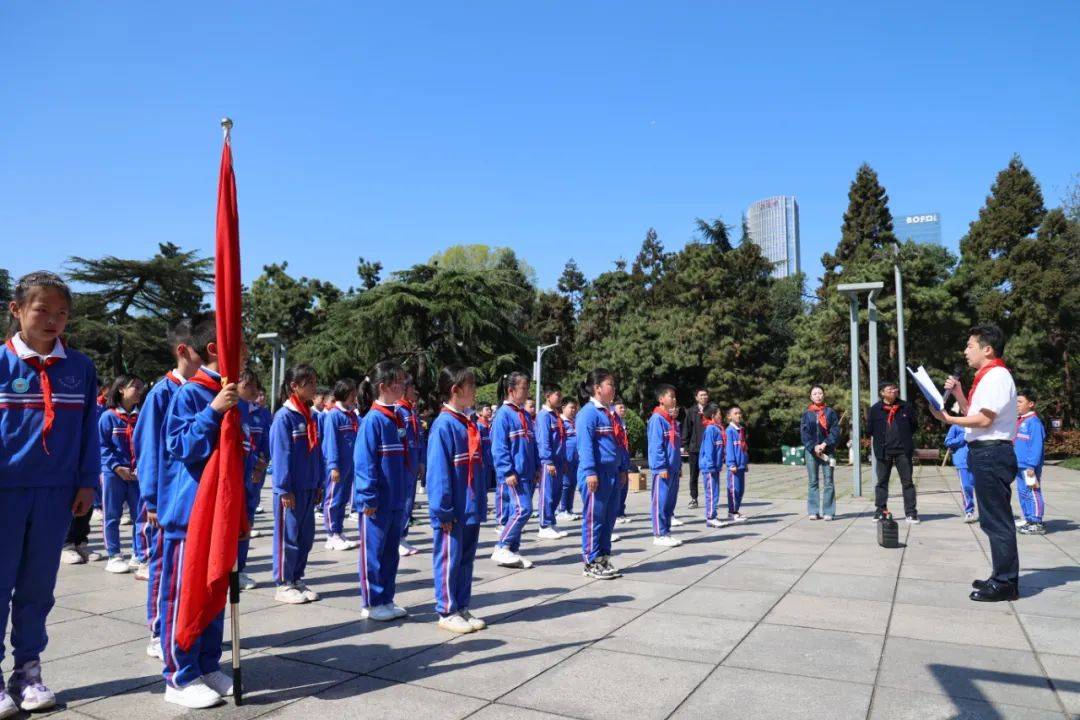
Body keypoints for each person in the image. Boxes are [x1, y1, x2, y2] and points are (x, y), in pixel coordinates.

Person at [1, 271, 99, 716]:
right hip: (5, 491)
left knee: (38, 587)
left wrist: (86, 482)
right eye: (42, 309)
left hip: (56, 494)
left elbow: (86, 433)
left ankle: (28, 671)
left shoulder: (79, 368)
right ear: (16, 310)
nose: (53, 320)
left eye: (62, 313)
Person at [160, 333, 241, 707]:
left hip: (219, 514)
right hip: (190, 512)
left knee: (214, 593)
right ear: (215, 348)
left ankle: (207, 664)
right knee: (185, 596)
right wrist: (213, 412)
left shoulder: (231, 392)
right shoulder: (191, 393)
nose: (246, 353)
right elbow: (178, 445)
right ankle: (180, 675)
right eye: (240, 344)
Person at [129, 316, 208, 661]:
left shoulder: (206, 390)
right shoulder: (163, 393)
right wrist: (151, 500)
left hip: (193, 500)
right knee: (164, 569)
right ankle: (159, 628)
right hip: (167, 501)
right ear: (183, 351)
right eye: (202, 351)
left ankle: (186, 629)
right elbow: (148, 450)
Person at [932, 324, 1020, 602]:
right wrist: (958, 393)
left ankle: (1006, 583)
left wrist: (948, 419)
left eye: (970, 345)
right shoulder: (986, 377)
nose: (965, 351)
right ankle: (1000, 576)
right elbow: (975, 412)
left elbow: (983, 421)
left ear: (987, 349)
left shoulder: (997, 376)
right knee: (992, 519)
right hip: (984, 452)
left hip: (992, 453)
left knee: (997, 520)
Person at [426, 365, 488, 633]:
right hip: (453, 509)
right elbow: (438, 475)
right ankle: (447, 609)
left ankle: (462, 605)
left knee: (465, 559)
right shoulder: (444, 426)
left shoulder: (467, 422)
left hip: (470, 506)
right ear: (455, 390)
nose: (475, 391)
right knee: (449, 558)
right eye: (471, 386)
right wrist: (443, 510)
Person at [355, 361, 411, 621]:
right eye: (397, 381)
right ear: (383, 387)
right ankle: (372, 602)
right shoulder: (373, 420)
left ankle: (386, 598)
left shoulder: (397, 417)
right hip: (376, 502)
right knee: (374, 554)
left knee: (390, 553)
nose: (402, 385)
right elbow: (364, 463)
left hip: (396, 499)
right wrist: (368, 497)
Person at [270, 364, 323, 605]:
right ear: (294, 386)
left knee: (305, 537)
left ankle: (296, 577)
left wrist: (318, 482)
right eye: (309, 383)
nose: (314, 387)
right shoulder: (284, 417)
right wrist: (283, 488)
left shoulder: (310, 415)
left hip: (308, 486)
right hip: (290, 490)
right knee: (287, 537)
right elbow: (281, 456)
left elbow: (316, 453)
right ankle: (283, 582)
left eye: (314, 382)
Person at [576, 369, 626, 579]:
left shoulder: (610, 413)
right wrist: (590, 472)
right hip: (595, 474)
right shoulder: (588, 413)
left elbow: (620, 444)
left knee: (609, 518)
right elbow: (585, 445)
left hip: (612, 472)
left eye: (613, 385)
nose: (613, 389)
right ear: (597, 388)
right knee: (594, 518)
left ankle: (603, 557)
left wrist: (623, 468)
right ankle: (590, 561)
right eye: (609, 384)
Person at [98, 374, 146, 574]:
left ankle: (139, 553)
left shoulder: (141, 417)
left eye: (140, 387)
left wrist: (140, 468)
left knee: (139, 516)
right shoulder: (108, 417)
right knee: (112, 515)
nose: (139, 391)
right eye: (135, 386)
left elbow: (145, 444)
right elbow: (101, 446)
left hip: (136, 475)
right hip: (113, 474)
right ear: (121, 390)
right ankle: (114, 555)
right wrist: (117, 467)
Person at [490, 371, 539, 569]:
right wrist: (507, 471)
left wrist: (537, 466)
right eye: (524, 388)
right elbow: (498, 446)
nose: (527, 392)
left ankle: (512, 550)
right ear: (511, 390)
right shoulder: (503, 415)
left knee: (515, 510)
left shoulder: (525, 415)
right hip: (514, 474)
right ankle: (501, 546)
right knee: (523, 509)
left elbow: (532, 444)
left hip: (527, 473)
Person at [867, 382, 919, 523]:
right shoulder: (875, 409)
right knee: (882, 482)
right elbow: (869, 430)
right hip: (884, 451)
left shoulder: (906, 407)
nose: (893, 391)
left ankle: (911, 513)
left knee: (907, 482)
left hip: (903, 451)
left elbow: (914, 426)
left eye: (895, 389)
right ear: (882, 393)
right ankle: (880, 511)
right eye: (889, 390)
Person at [319, 379, 359, 552]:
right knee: (333, 499)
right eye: (351, 393)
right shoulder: (334, 416)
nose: (354, 396)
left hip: (350, 465)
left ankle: (338, 530)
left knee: (343, 499)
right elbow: (331, 443)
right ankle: (331, 534)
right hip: (338, 467)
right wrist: (333, 466)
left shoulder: (352, 415)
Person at [648, 383, 682, 547]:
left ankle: (666, 531)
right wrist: (660, 466)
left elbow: (675, 447)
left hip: (673, 467)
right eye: (671, 396)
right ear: (661, 399)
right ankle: (659, 534)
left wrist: (678, 466)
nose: (674, 400)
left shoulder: (672, 421)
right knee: (660, 501)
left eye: (675, 397)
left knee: (670, 501)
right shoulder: (657, 419)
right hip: (663, 468)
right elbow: (656, 445)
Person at [801, 386, 841, 521]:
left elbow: (835, 431)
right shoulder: (807, 414)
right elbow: (804, 434)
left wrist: (825, 444)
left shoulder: (830, 412)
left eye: (820, 393)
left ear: (824, 395)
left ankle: (829, 511)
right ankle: (813, 510)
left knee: (829, 481)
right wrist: (814, 447)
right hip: (812, 452)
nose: (818, 395)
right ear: (811, 397)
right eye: (814, 394)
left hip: (827, 451)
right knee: (813, 481)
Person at [397, 377, 425, 557]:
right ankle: (397, 538)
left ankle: (402, 536)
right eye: (411, 388)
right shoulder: (399, 411)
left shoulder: (411, 411)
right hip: (404, 462)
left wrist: (421, 461)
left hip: (414, 461)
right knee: (403, 500)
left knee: (409, 500)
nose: (414, 392)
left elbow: (419, 438)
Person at [536, 387, 568, 539]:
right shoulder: (543, 416)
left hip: (559, 460)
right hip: (550, 461)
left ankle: (551, 521)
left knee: (557, 493)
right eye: (557, 395)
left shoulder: (556, 416)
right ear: (548, 395)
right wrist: (547, 460)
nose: (560, 398)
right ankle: (544, 525)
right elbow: (544, 440)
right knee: (547, 493)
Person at [1014, 389, 1046, 535]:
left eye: (1020, 402)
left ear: (1031, 404)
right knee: (1023, 492)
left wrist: (1031, 465)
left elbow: (1036, 446)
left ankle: (1036, 521)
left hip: (1029, 467)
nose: (1017, 405)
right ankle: (1028, 518)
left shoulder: (1034, 423)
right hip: (1019, 465)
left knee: (1032, 491)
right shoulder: (1020, 421)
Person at [681, 388, 709, 510]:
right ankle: (694, 498)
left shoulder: (712, 410)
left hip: (708, 449)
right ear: (696, 398)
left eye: (705, 395)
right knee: (694, 475)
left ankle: (711, 498)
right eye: (701, 395)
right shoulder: (691, 411)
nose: (704, 397)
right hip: (695, 449)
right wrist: (685, 445)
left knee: (709, 475)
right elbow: (686, 429)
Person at [698, 403, 725, 527]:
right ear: (713, 415)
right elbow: (709, 450)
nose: (721, 416)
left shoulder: (716, 429)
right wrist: (710, 466)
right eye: (719, 414)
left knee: (715, 492)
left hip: (715, 467)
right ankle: (710, 517)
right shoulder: (710, 429)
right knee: (711, 492)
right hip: (710, 468)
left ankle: (713, 515)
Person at [944, 422, 976, 523]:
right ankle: (969, 511)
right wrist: (963, 438)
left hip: (978, 460)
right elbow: (948, 442)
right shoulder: (956, 426)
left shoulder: (978, 424)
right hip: (962, 462)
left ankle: (987, 514)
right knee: (966, 487)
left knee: (982, 489)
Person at [556, 398, 580, 523]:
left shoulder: (575, 422)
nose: (574, 410)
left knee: (572, 484)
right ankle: (561, 509)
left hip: (576, 459)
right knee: (565, 484)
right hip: (565, 459)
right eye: (571, 407)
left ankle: (569, 509)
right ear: (563, 407)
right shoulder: (560, 422)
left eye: (575, 407)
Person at [724, 406, 750, 522]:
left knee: (741, 490)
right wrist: (731, 464)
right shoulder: (730, 431)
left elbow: (743, 448)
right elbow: (729, 449)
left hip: (741, 465)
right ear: (729, 416)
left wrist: (745, 462)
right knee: (734, 489)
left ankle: (736, 510)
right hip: (734, 466)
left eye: (739, 413)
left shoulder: (741, 429)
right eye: (735, 413)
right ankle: (732, 512)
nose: (738, 415)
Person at [476, 404, 495, 493]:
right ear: (480, 412)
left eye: (490, 410)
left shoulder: (491, 425)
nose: (489, 411)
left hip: (490, 458)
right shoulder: (478, 426)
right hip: (483, 458)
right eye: (487, 409)